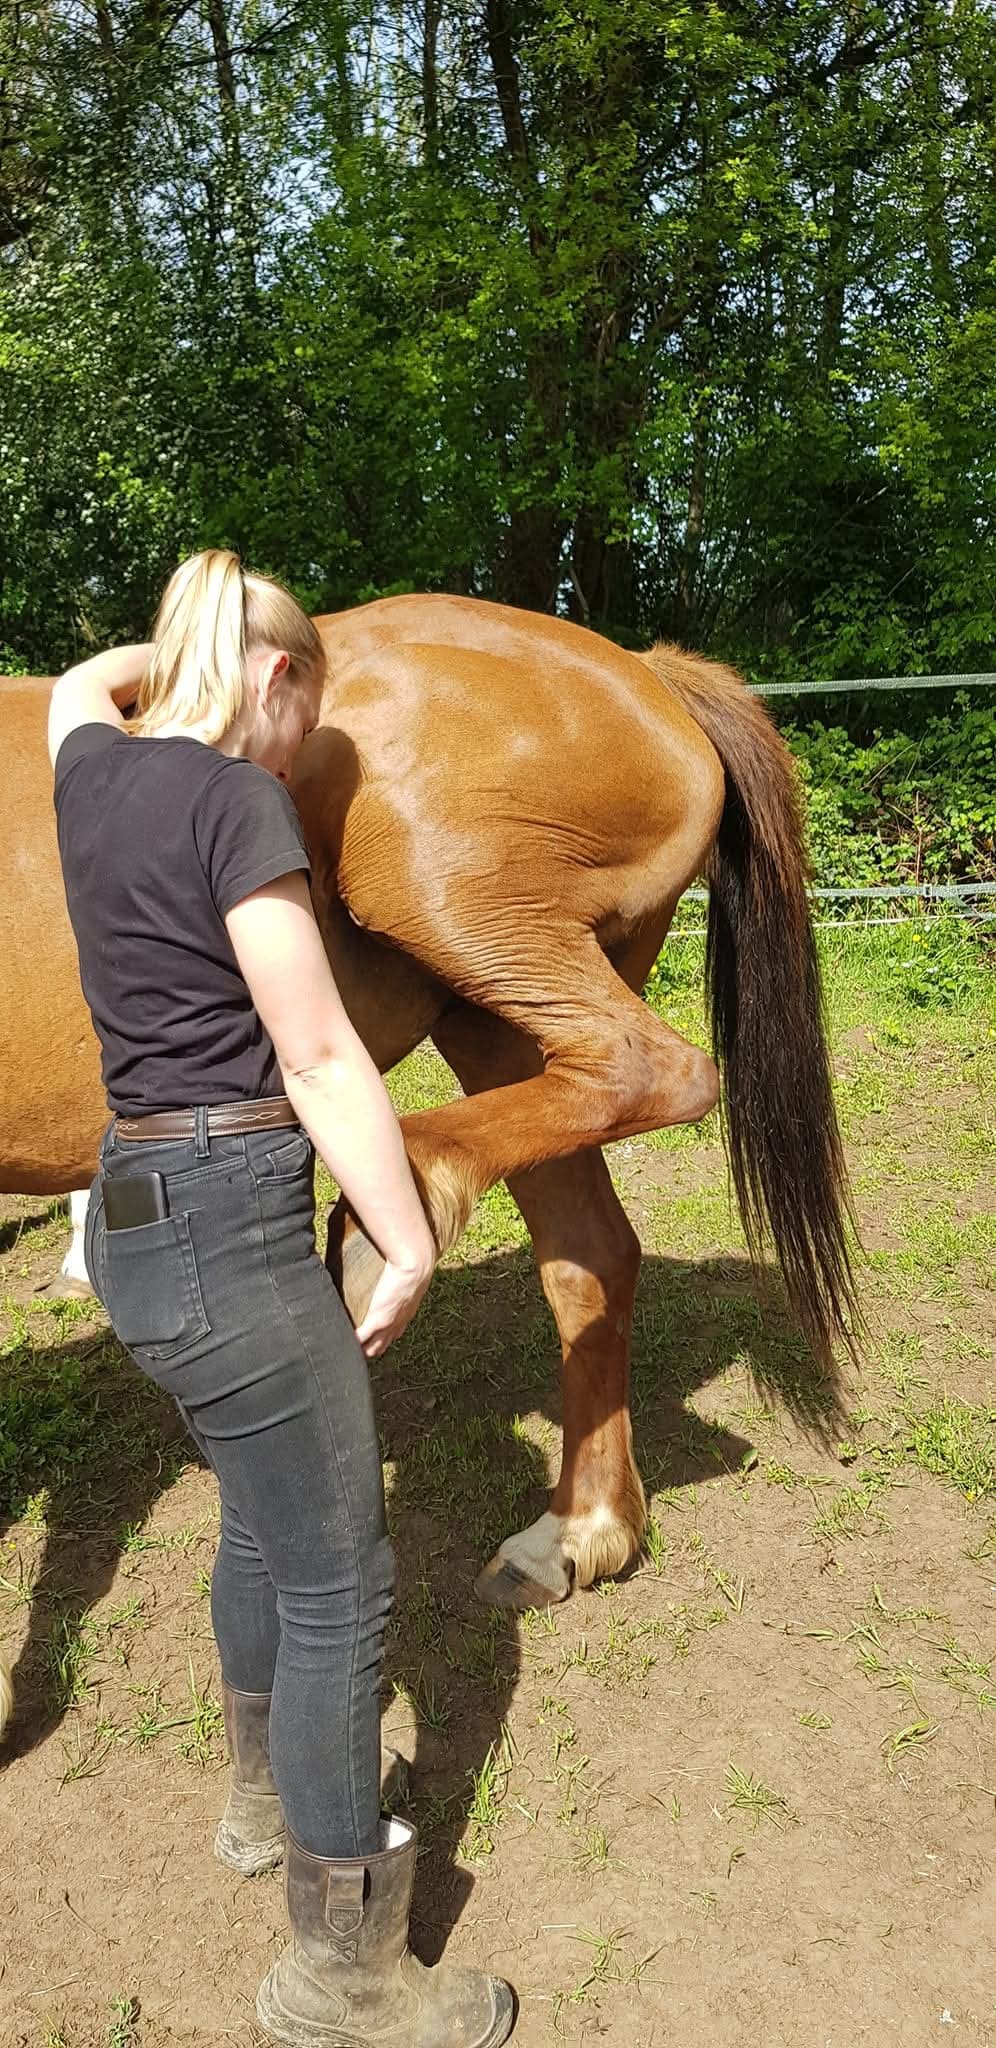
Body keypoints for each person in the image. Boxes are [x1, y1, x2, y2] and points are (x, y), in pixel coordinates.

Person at [49, 549, 515, 2048]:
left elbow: (76, 688)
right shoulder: (239, 801)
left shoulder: (90, 779)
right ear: (274, 679)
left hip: (133, 1211)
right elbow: (316, 1053)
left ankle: (263, 1800)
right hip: (231, 1223)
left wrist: (183, 646)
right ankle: (347, 1979)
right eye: (301, 704)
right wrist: (410, 1231)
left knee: (263, 1511)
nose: (303, 744)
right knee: (341, 1581)